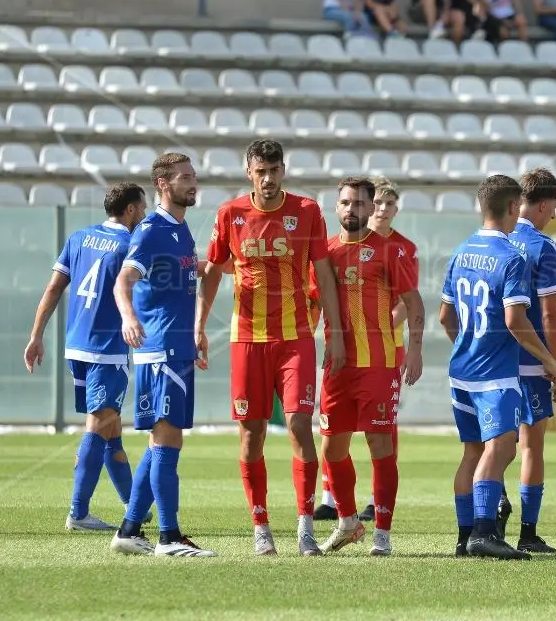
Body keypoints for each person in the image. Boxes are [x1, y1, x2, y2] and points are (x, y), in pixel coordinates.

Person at [198, 138, 347, 557]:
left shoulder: (307, 211)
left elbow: (323, 273)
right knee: (252, 434)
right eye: (260, 171)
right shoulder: (230, 213)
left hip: (296, 336)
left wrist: (333, 331)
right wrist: (199, 324)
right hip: (247, 338)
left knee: (301, 423)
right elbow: (211, 271)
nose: (267, 178)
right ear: (249, 172)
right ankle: (260, 525)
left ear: (283, 170)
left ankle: (305, 527)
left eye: (274, 170)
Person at [441, 175, 556, 560]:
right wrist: (552, 363)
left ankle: (465, 537)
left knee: (472, 452)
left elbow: (446, 317)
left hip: (461, 368)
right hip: (495, 374)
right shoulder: (511, 257)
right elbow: (517, 321)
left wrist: (470, 343)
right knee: (502, 449)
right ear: (514, 207)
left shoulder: (461, 251)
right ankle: (484, 531)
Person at [309, 177, 423, 558]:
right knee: (332, 448)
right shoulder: (323, 254)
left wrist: (417, 350)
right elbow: (313, 305)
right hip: (337, 366)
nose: (351, 210)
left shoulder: (390, 251)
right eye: (344, 203)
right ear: (336, 207)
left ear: (371, 206)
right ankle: (347, 522)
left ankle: (383, 535)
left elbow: (414, 302)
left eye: (359, 203)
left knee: (379, 443)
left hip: (379, 363)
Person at [109, 154, 216, 557]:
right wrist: (129, 319)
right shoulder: (152, 230)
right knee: (167, 439)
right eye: (184, 177)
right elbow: (124, 280)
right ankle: (169, 537)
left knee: (161, 443)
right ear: (162, 184)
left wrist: (196, 332)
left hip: (178, 346)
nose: (193, 183)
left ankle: (130, 529)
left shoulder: (180, 229)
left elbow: (186, 277)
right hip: (161, 350)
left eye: (193, 176)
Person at [24, 182, 147, 533]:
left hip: (75, 345)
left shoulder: (79, 238)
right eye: (143, 208)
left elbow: (52, 289)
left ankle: (132, 506)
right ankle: (78, 513)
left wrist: (36, 335)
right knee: (100, 424)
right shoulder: (130, 244)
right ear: (130, 210)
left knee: (111, 429)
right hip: (107, 348)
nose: (145, 213)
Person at [491, 169, 556, 553]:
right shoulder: (542, 246)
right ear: (542, 204)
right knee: (531, 446)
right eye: (553, 207)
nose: (553, 215)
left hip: (492, 361)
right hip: (530, 360)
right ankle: (528, 532)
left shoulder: (494, 239)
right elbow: (550, 314)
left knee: (492, 442)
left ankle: (492, 509)